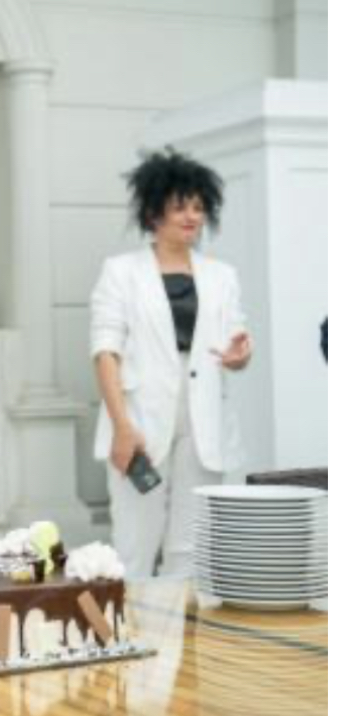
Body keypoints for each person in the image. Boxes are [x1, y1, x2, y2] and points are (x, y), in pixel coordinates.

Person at [90, 149, 251, 578]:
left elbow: (234, 344)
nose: (192, 216)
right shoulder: (121, 272)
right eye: (180, 207)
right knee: (135, 545)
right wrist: (122, 426)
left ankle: (182, 623)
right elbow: (105, 352)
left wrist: (240, 356)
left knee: (191, 548)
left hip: (203, 420)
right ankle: (132, 621)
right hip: (139, 418)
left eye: (198, 207)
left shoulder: (223, 276)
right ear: (153, 212)